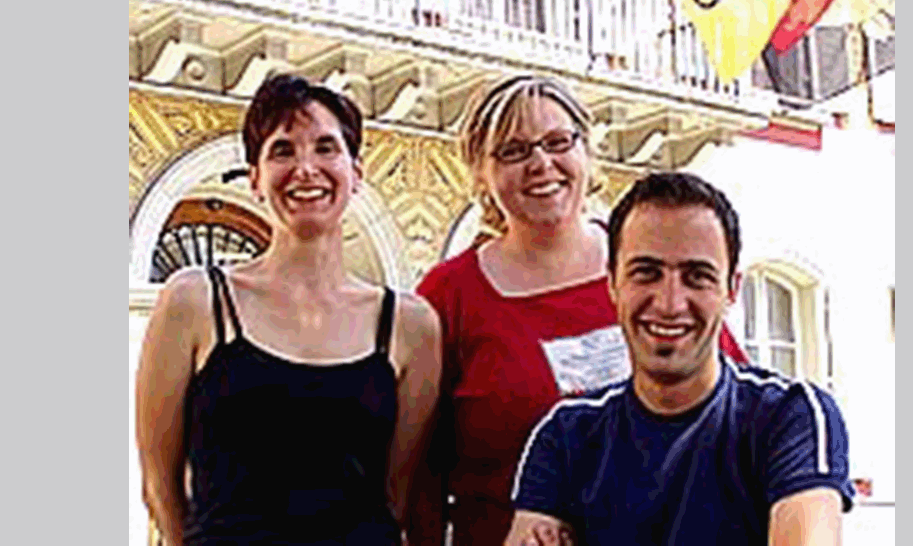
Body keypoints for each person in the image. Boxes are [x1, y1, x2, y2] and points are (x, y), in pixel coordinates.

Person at [408, 75, 749, 545]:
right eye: (513, 151)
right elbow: (420, 475)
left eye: (557, 142)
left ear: (586, 151)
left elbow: (737, 414)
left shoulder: (654, 265)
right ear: (481, 173)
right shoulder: (449, 296)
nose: (540, 164)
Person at [135, 74, 441, 545]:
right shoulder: (194, 302)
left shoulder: (410, 325)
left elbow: (396, 497)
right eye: (282, 151)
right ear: (255, 179)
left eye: (326, 148)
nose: (305, 169)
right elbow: (159, 484)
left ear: (356, 174)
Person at [506, 172, 855, 546]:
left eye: (697, 276)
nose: (670, 303)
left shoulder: (790, 416)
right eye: (646, 273)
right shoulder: (567, 435)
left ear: (731, 289)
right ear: (612, 284)